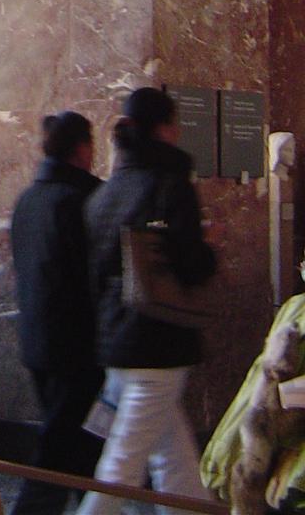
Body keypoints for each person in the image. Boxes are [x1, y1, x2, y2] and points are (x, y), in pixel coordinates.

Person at [76, 87, 217, 515]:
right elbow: (190, 264)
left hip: (117, 341)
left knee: (173, 458)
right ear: (166, 128)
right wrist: (209, 248)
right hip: (158, 342)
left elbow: (96, 273)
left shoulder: (105, 193)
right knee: (122, 464)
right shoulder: (169, 185)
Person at [10, 112, 102, 515]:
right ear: (82, 149)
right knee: (58, 449)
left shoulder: (28, 200)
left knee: (78, 446)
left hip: (36, 341)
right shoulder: (84, 200)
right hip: (76, 347)